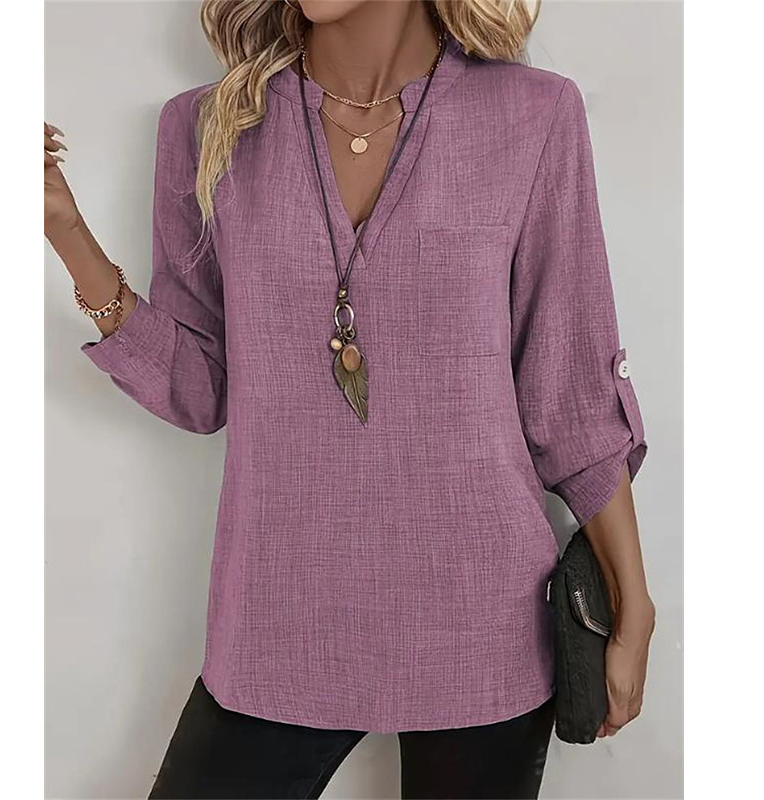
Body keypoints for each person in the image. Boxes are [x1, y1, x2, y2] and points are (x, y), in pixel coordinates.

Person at [44, 1, 656, 798]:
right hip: (279, 617)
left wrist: (634, 603)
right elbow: (199, 387)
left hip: (482, 620)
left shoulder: (532, 116)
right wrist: (64, 229)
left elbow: (569, 393)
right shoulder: (208, 127)